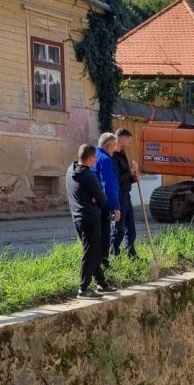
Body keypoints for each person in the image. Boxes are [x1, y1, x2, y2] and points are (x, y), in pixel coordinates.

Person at [65, 144, 116, 299]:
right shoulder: (89, 176)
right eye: (94, 158)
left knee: (92, 251)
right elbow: (103, 199)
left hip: (77, 217)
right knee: (91, 253)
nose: (95, 161)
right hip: (91, 218)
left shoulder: (70, 170)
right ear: (91, 158)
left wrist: (93, 198)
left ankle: (102, 283)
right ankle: (83, 288)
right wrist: (95, 199)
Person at [93, 132, 121, 270]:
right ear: (109, 146)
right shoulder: (105, 159)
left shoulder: (92, 155)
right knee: (105, 234)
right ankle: (104, 263)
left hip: (92, 203)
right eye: (114, 145)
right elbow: (108, 185)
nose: (115, 149)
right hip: (103, 204)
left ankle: (96, 263)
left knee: (95, 236)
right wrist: (115, 207)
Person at [111, 128, 139, 258]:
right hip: (118, 195)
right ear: (122, 139)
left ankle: (131, 253)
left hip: (126, 195)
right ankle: (114, 253)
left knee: (130, 226)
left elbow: (125, 177)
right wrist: (131, 170)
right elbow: (117, 180)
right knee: (119, 227)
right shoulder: (112, 157)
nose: (129, 144)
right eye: (128, 141)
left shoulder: (122, 154)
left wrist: (134, 177)